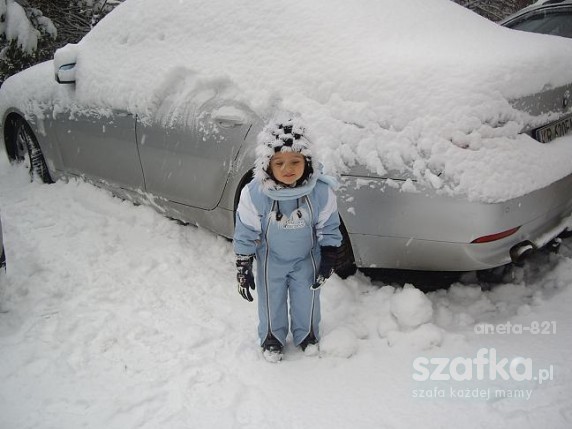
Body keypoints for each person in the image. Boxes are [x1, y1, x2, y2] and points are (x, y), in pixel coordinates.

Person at [233, 117, 343, 362]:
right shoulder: (255, 194)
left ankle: (308, 335)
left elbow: (329, 226)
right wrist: (243, 263)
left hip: (307, 258)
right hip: (271, 259)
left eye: (296, 161)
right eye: (279, 162)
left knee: (308, 298)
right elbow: (246, 230)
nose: (287, 168)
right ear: (267, 165)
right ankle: (272, 336)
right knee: (271, 299)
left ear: (308, 162)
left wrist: (329, 255)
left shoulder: (321, 191)